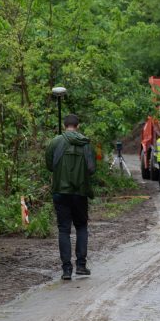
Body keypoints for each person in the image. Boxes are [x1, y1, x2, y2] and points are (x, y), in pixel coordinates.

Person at [45, 114, 97, 280]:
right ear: (78, 125)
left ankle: (66, 270)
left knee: (63, 230)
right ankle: (81, 266)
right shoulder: (86, 144)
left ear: (64, 125)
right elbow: (91, 169)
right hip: (80, 193)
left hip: (60, 192)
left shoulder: (55, 142)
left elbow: (49, 165)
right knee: (81, 227)